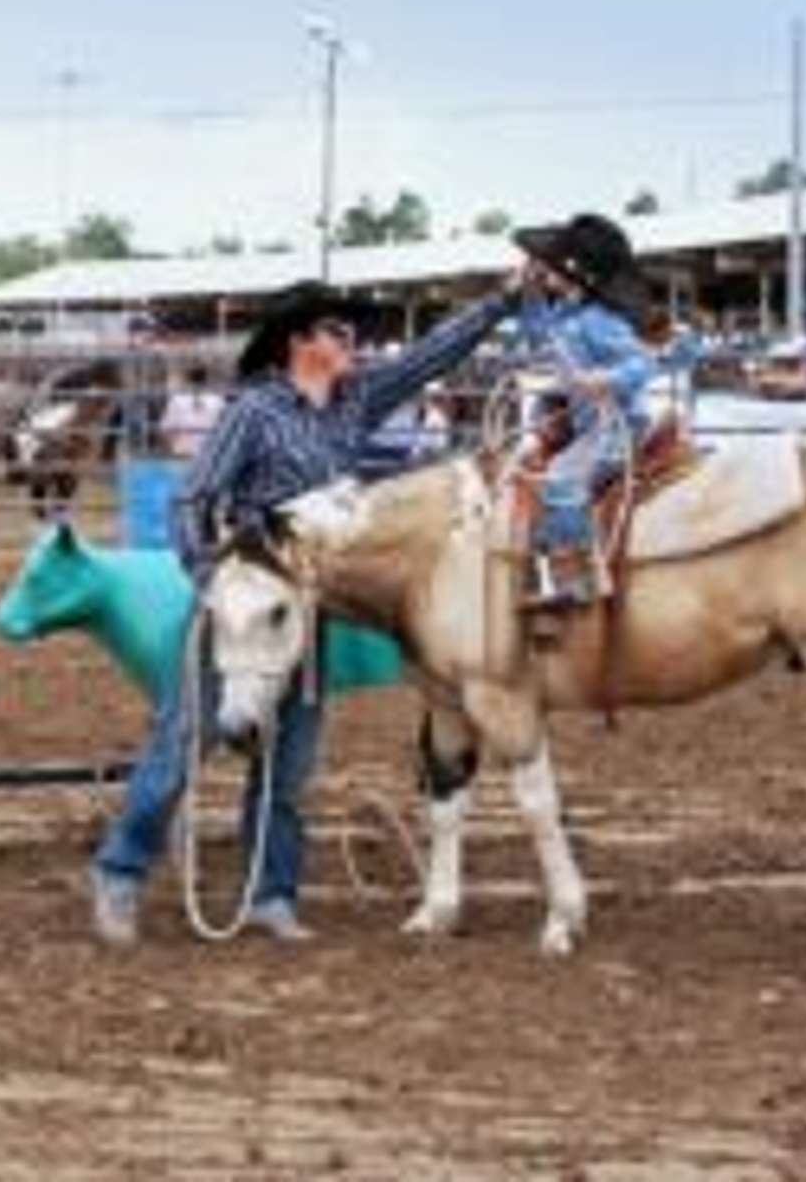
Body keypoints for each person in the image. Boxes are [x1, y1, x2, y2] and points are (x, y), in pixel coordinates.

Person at [88, 277, 521, 947]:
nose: (354, 345)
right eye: (339, 333)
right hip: (243, 607)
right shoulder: (255, 411)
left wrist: (504, 301)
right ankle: (120, 872)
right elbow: (193, 499)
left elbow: (428, 358)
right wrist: (212, 577)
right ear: (300, 343)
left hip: (307, 608)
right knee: (181, 747)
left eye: (353, 335)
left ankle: (272, 893)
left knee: (288, 766)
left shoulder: (353, 403)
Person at [510, 213, 658, 609]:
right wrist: (530, 293)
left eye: (551, 265)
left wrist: (606, 379)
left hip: (617, 425)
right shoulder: (565, 315)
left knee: (561, 478)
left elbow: (642, 363)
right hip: (591, 424)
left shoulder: (598, 321)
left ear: (574, 273)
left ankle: (578, 579)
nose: (543, 269)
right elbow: (538, 333)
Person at [159, 362, 225, 461]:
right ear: (207, 380)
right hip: (207, 454)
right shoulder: (218, 401)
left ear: (187, 380)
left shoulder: (177, 400)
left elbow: (166, 429)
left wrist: (173, 449)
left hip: (185, 453)